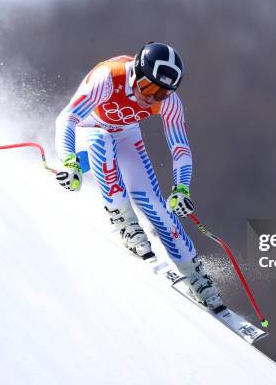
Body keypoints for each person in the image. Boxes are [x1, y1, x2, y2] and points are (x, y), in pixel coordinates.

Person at [54, 42, 222, 309]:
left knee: (155, 203)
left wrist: (181, 189)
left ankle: (195, 274)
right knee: (100, 142)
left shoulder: (169, 103)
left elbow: (180, 148)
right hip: (90, 128)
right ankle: (125, 224)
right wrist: (69, 160)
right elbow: (67, 118)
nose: (152, 98)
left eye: (162, 93)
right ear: (136, 73)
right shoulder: (109, 78)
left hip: (125, 132)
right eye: (148, 88)